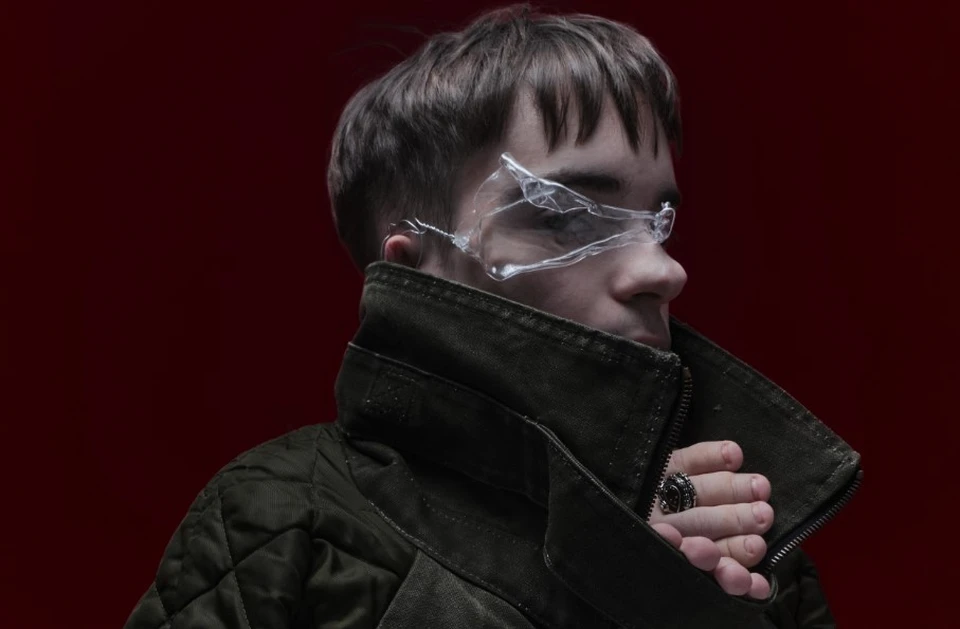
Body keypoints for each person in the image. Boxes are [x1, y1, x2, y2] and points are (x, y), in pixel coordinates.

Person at [126, 5, 861, 628]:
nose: (663, 270)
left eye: (657, 220)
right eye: (564, 215)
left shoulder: (743, 541)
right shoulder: (284, 519)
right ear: (415, 269)